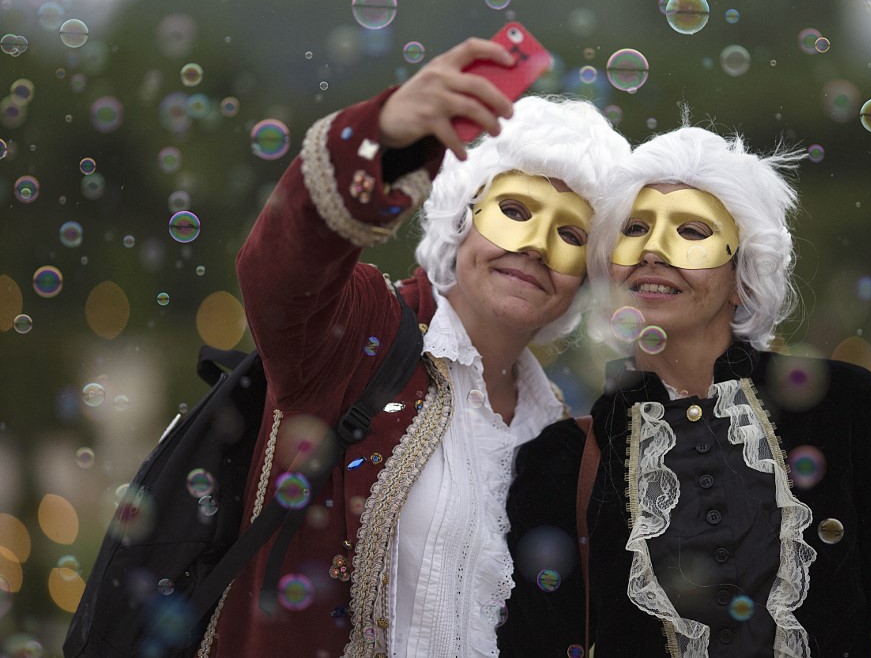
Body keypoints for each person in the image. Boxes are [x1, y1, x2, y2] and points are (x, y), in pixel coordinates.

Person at [201, 38, 631, 657]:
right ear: (463, 217)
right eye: (514, 210)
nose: (536, 245)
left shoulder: (564, 439)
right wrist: (382, 135)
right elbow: (279, 270)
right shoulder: (364, 336)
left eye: (570, 234)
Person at [500, 120, 871, 657]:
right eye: (633, 229)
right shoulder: (559, 463)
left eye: (692, 232)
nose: (653, 251)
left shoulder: (845, 406)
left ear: (744, 278)